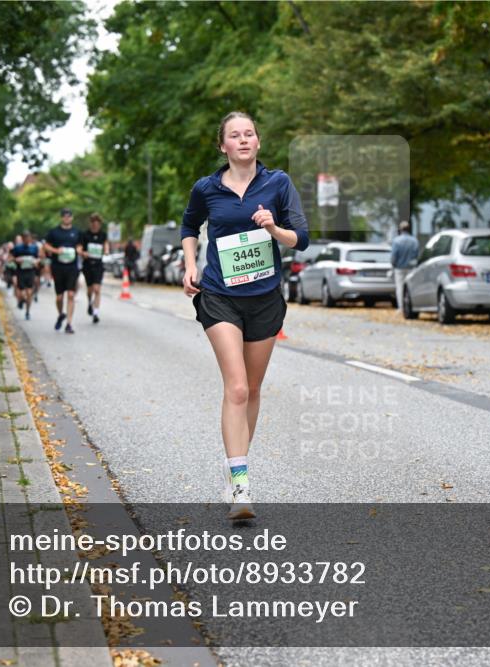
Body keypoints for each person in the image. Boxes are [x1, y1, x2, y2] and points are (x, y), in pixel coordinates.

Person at [181, 111, 309, 520]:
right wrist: (189, 264)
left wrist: (273, 227)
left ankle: (234, 467)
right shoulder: (207, 188)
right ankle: (241, 487)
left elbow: (300, 239)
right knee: (236, 388)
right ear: (223, 146)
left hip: (265, 298)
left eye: (249, 134)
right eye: (234, 136)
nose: (242, 140)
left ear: (258, 142)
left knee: (252, 391)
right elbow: (188, 225)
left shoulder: (278, 184)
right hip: (220, 295)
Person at [44, 208, 82, 334]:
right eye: (64, 216)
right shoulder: (54, 232)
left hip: (72, 267)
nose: (67, 218)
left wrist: (79, 250)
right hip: (58, 267)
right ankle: (61, 314)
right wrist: (56, 251)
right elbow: (46, 245)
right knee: (59, 297)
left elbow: (80, 245)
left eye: (69, 216)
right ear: (61, 218)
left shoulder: (76, 232)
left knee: (71, 295)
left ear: (72, 217)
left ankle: (69, 324)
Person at [80, 213, 107, 323]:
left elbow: (106, 245)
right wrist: (83, 253)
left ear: (100, 224)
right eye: (93, 223)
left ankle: (95, 313)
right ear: (90, 224)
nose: (95, 225)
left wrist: (106, 250)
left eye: (97, 223)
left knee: (97, 289)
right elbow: (80, 248)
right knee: (90, 289)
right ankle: (89, 302)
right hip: (87, 265)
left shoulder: (103, 235)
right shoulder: (85, 235)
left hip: (98, 265)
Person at [12, 231, 42, 320]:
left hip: (30, 271)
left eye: (28, 238)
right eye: (25, 238)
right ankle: (21, 300)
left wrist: (36, 261)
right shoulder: (17, 248)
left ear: (30, 239)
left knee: (29, 293)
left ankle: (28, 312)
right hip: (20, 272)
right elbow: (11, 258)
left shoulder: (34, 248)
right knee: (21, 293)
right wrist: (17, 260)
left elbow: (39, 258)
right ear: (22, 238)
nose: (27, 239)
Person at [390, 220, 418, 309]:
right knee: (410, 287)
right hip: (411, 268)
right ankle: (411, 306)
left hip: (399, 268)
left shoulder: (396, 241)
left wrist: (393, 265)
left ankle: (401, 307)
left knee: (400, 288)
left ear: (400, 230)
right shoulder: (414, 241)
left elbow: (394, 256)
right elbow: (416, 254)